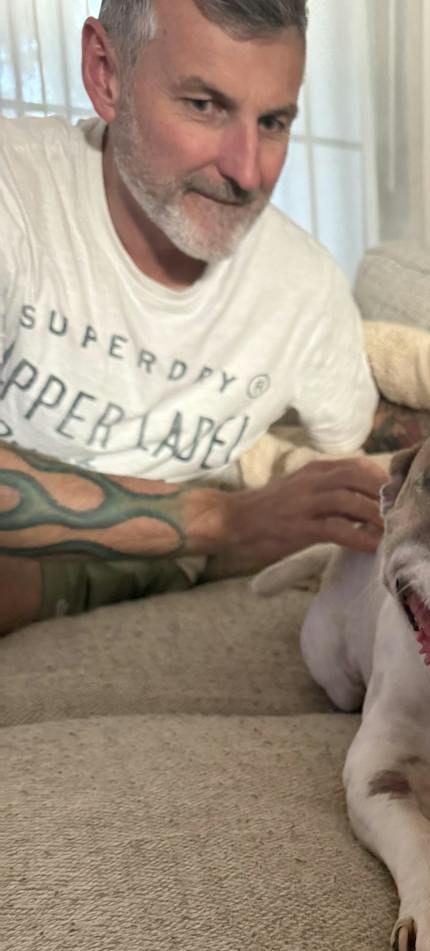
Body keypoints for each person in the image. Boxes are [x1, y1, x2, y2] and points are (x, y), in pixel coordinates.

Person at [0, 0, 390, 635]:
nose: (247, 171)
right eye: (205, 106)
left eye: (273, 122)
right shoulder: (15, 193)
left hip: (136, 565)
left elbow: (363, 442)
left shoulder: (306, 289)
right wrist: (223, 519)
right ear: (106, 73)